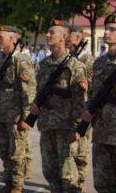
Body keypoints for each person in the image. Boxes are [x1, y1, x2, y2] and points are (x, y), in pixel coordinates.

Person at [20, 21, 87, 192]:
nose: (47, 36)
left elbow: (81, 102)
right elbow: (39, 90)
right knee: (49, 170)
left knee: (68, 173)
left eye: (51, 33)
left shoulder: (75, 66)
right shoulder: (44, 64)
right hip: (47, 124)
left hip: (65, 126)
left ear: (63, 37)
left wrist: (77, 128)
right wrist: (35, 105)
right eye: (47, 33)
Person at [0, 26, 36, 193]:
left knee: (17, 154)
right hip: (1, 113)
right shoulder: (0, 60)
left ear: (13, 40)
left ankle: (16, 186)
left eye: (1, 38)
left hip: (15, 116)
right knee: (3, 151)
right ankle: (8, 183)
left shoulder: (20, 60)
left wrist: (26, 118)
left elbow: (28, 91)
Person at [72, 13, 116, 193]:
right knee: (102, 182)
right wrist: (87, 111)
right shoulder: (99, 62)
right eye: (106, 29)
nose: (107, 32)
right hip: (101, 131)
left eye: (112, 29)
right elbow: (93, 92)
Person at [66, 25, 94, 189]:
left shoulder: (88, 60)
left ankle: (80, 182)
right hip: (70, 108)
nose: (67, 40)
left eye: (70, 37)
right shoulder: (70, 57)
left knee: (81, 150)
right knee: (70, 148)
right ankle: (71, 180)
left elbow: (93, 85)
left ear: (77, 39)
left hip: (83, 108)